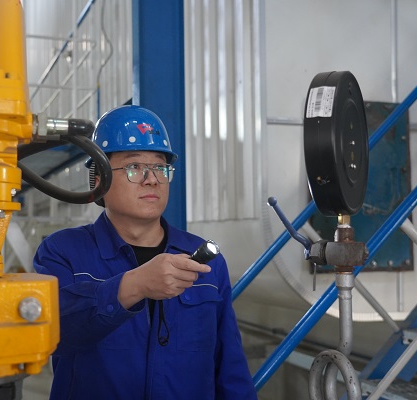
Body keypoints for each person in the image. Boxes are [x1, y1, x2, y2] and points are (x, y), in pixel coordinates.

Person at [33, 105, 257, 400]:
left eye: (161, 168)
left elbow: (230, 366)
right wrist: (134, 286)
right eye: (135, 167)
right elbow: (52, 334)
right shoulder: (63, 252)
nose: (152, 179)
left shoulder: (204, 261)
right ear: (98, 178)